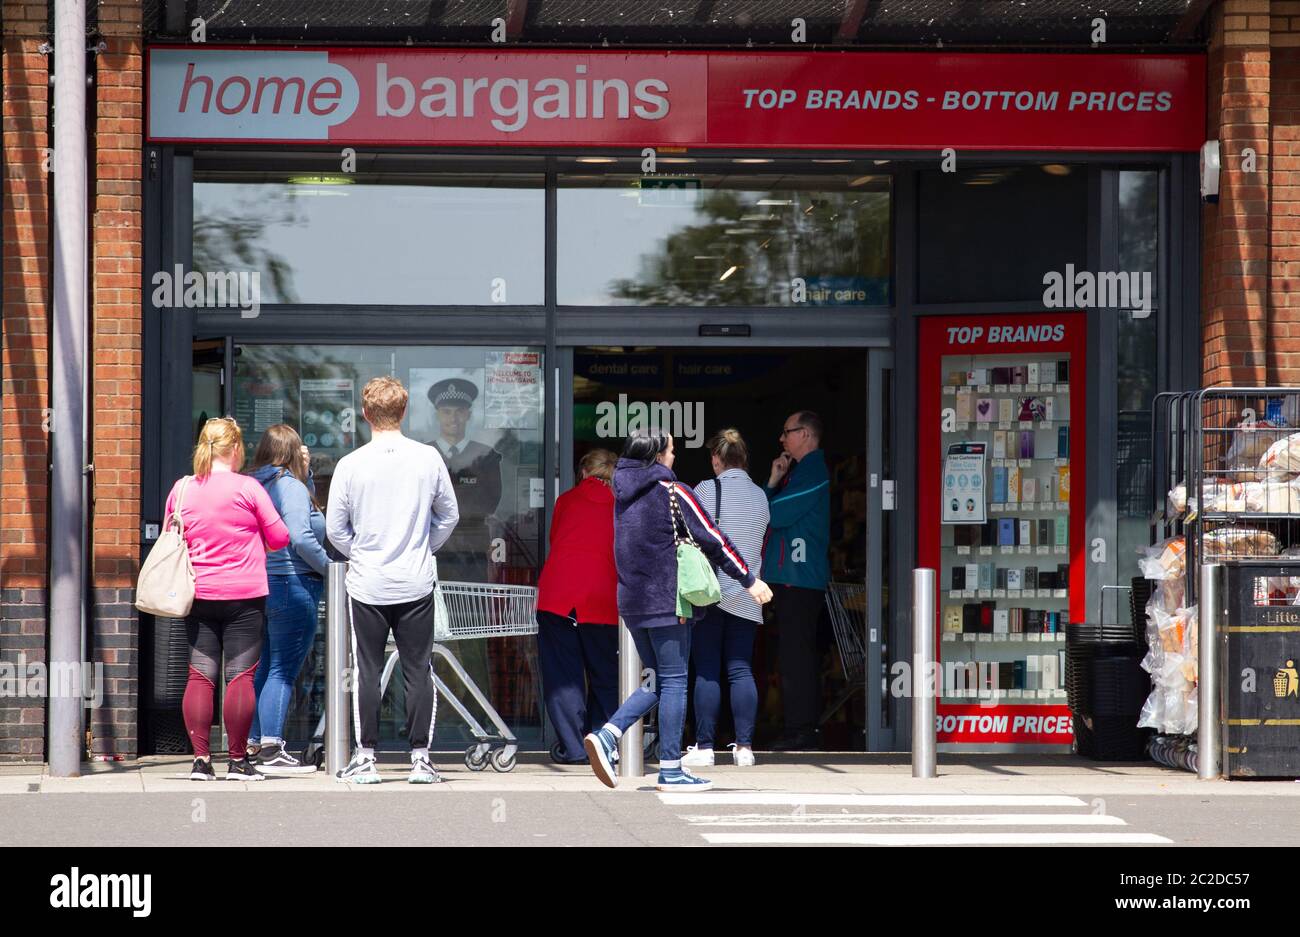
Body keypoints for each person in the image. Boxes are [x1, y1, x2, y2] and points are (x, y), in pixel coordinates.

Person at [584, 430, 772, 793]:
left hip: (633, 603)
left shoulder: (621, 495)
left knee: (656, 678)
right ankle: (670, 769)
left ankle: (608, 735)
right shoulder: (674, 491)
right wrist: (749, 580)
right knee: (673, 681)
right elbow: (714, 540)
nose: (674, 458)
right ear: (657, 457)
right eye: (671, 452)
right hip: (668, 600)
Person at [327, 376, 459, 784]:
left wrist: (360, 553)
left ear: (366, 414)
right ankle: (420, 757)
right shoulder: (428, 458)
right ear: (404, 412)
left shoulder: (351, 464)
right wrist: (424, 547)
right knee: (418, 669)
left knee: (366, 670)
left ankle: (366, 756)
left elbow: (335, 529)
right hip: (415, 581)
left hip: (367, 582)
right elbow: (449, 515)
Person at [168, 417, 290, 781]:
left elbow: (173, 535)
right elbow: (281, 536)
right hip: (245, 596)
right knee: (240, 678)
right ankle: (238, 762)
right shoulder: (248, 488)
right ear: (235, 449)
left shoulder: (183, 488)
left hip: (199, 594)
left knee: (200, 677)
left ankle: (201, 762)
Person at [682, 429, 770, 768]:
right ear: (744, 459)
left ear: (717, 460)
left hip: (712, 593)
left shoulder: (707, 489)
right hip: (749, 592)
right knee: (740, 669)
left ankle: (704, 746)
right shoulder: (761, 496)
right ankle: (745, 747)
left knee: (706, 670)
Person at [246, 424, 331, 774]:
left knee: (265, 666)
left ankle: (252, 742)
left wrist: (305, 475)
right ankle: (271, 748)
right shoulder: (290, 486)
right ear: (293, 451)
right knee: (282, 670)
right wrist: (332, 570)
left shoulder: (253, 483)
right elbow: (300, 535)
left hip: (260, 585)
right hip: (293, 583)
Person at [535, 449, 620, 764]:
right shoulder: (622, 505)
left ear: (584, 471)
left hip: (558, 597)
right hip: (602, 597)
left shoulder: (566, 500)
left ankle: (573, 747)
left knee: (563, 675)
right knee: (606, 673)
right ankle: (603, 741)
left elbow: (557, 540)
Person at [764, 410, 831, 751]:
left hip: (799, 580)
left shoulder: (813, 471)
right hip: (792, 579)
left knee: (797, 658)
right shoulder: (801, 472)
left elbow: (772, 514)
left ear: (804, 434)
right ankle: (798, 728)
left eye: (786, 432)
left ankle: (802, 730)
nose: (782, 439)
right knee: (793, 656)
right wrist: (775, 481)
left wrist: (771, 490)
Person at [424, 378, 502, 583]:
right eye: (446, 411)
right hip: (433, 548)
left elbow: (489, 502)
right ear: (437, 415)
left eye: (459, 411)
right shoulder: (423, 454)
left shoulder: (485, 455)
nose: (453, 418)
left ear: (468, 414)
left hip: (473, 548)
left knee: (473, 610)